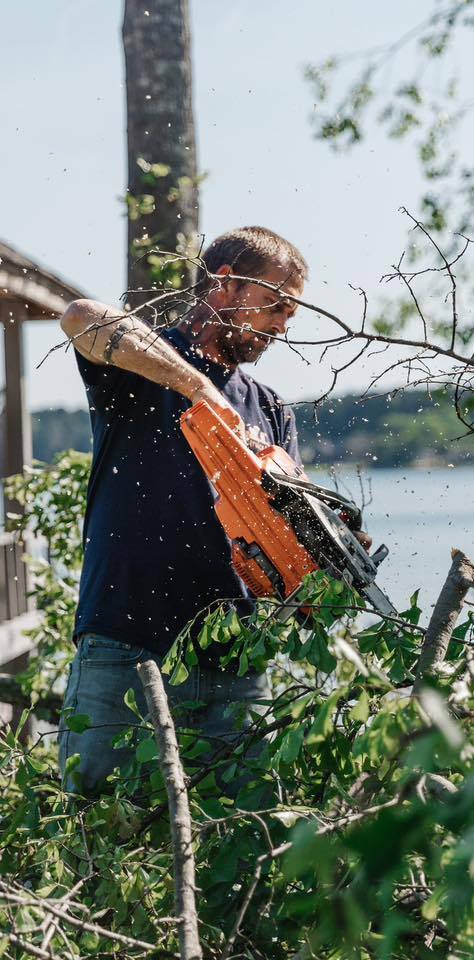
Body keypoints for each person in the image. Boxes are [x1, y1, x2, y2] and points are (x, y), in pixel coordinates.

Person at [57, 226, 308, 794]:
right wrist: (199, 389)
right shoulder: (140, 365)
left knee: (242, 849)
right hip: (126, 645)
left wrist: (323, 552)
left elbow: (288, 528)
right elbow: (79, 316)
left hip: (236, 667)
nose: (282, 326)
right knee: (100, 834)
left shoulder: (271, 410)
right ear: (225, 284)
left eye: (291, 313)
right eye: (274, 305)